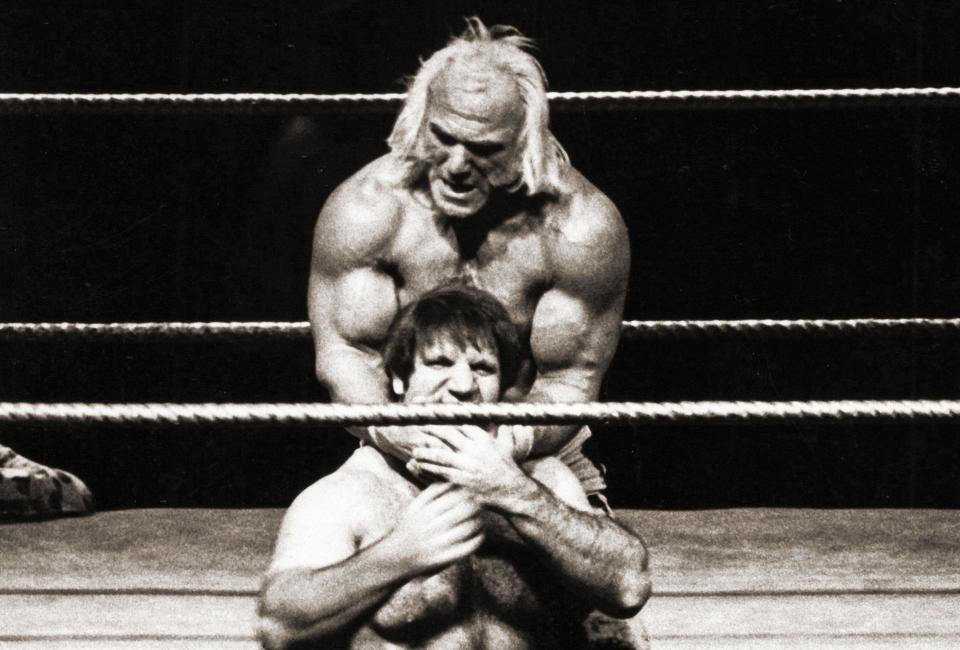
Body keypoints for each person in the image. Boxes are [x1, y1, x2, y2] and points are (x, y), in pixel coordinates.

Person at [307, 17, 630, 505]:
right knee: (330, 554)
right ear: (419, 117)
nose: (457, 166)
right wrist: (408, 439)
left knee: (592, 571)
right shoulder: (367, 210)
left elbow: (570, 379)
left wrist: (502, 449)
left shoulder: (580, 226)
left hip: (536, 456)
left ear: (525, 139)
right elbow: (348, 355)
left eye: (484, 149)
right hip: (396, 452)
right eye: (443, 137)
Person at [258, 286, 649, 649]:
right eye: (440, 362)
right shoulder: (352, 493)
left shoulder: (540, 480)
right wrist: (399, 553)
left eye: (482, 368)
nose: (463, 385)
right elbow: (279, 626)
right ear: (398, 378)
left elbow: (629, 586)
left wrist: (514, 494)